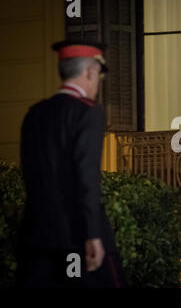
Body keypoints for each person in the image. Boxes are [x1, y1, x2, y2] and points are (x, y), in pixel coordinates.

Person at [17, 41, 125, 288]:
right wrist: (93, 234)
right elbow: (86, 178)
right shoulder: (87, 112)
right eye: (98, 75)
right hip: (77, 237)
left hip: (36, 235)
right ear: (89, 72)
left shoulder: (34, 113)